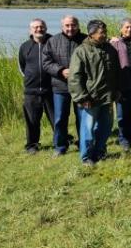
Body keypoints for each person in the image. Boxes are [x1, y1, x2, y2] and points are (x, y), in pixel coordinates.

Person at [68, 20, 122, 166]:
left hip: (108, 97)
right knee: (87, 129)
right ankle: (86, 157)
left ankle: (100, 151)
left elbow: (117, 72)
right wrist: (82, 97)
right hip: (90, 99)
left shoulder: (110, 49)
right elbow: (75, 77)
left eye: (105, 32)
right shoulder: (81, 51)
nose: (104, 35)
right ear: (91, 34)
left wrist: (117, 90)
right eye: (101, 33)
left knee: (105, 127)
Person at [43, 15, 87, 156]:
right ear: (62, 26)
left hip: (82, 86)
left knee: (83, 117)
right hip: (60, 86)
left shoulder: (86, 40)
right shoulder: (52, 41)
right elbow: (46, 62)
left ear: (78, 25)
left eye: (73, 25)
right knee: (60, 118)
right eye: (67, 25)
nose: (70, 28)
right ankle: (60, 146)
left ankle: (83, 143)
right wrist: (60, 70)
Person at [18, 18, 54, 154]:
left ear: (46, 28)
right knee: (32, 120)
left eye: (42, 27)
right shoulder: (25, 46)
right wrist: (30, 79)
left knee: (56, 118)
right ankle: (32, 145)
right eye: (36, 27)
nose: (39, 29)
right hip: (31, 91)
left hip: (51, 89)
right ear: (30, 30)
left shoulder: (53, 42)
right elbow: (22, 67)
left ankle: (61, 141)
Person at [110, 18, 131, 151]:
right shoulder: (115, 43)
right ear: (121, 29)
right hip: (122, 85)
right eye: (127, 27)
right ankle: (123, 138)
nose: (129, 29)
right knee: (122, 114)